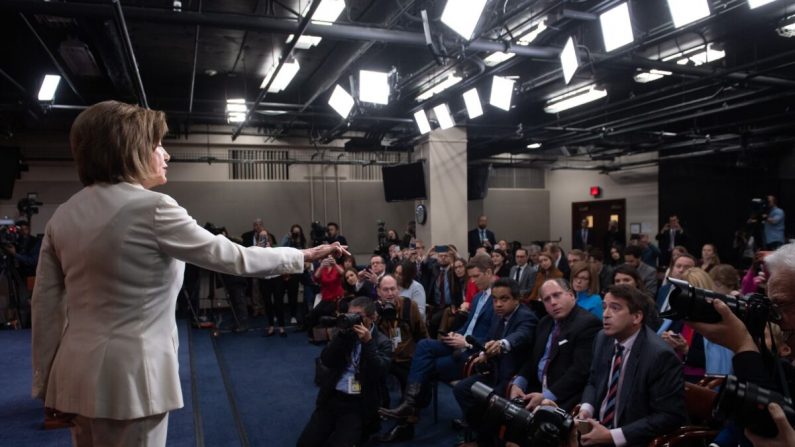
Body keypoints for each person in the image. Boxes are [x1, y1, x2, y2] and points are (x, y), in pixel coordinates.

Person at [30, 100, 348, 447]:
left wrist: (47, 383)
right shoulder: (152, 207)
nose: (166, 155)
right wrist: (303, 255)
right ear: (129, 151)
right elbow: (234, 258)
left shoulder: (63, 214)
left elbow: (45, 306)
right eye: (157, 146)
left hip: (74, 377)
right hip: (133, 380)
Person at [688, 243, 795, 446]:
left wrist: (743, 346)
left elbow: (773, 423)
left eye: (780, 305)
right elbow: (758, 412)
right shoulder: (784, 367)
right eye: (769, 305)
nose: (773, 318)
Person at [378, 254, 497, 426]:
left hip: (473, 352)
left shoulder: (497, 300)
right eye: (470, 277)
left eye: (475, 276)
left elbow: (493, 336)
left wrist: (466, 342)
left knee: (426, 365)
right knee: (424, 345)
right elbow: (469, 326)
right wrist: (456, 334)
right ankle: (410, 404)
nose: (471, 281)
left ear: (488, 272)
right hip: (460, 343)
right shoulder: (478, 297)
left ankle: (410, 405)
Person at [577, 285, 686, 446]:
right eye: (604, 307)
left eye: (615, 308)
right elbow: (593, 381)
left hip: (634, 439)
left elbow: (668, 416)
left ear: (636, 317)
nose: (605, 315)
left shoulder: (660, 356)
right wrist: (587, 409)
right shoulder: (602, 338)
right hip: (597, 431)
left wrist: (613, 436)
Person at [452, 278, 538, 447]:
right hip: (494, 372)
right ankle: (483, 435)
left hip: (512, 380)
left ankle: (486, 440)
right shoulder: (499, 316)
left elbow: (520, 336)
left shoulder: (527, 317)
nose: (498, 304)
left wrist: (501, 344)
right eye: (495, 299)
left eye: (504, 299)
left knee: (488, 405)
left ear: (516, 299)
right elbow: (491, 339)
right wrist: (485, 353)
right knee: (461, 389)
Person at [297, 297, 392, 447]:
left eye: (358, 316)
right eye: (350, 315)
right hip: (332, 396)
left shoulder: (382, 342)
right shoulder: (345, 334)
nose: (352, 320)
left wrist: (368, 343)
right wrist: (341, 336)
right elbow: (326, 360)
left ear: (372, 317)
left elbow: (379, 372)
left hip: (358, 403)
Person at [509, 278, 601, 412]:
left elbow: (580, 372)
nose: (553, 302)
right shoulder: (544, 322)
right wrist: (519, 382)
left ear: (571, 295)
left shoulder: (588, 324)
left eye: (557, 295)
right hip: (536, 390)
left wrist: (546, 396)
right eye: (547, 299)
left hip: (564, 397)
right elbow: (533, 358)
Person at [373, 275, 429, 442]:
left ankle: (406, 423)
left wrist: (424, 359)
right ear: (378, 292)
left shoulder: (408, 306)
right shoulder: (374, 310)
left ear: (398, 290)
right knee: (370, 374)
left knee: (415, 383)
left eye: (393, 289)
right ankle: (380, 408)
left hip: (406, 358)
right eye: (385, 290)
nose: (390, 293)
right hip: (385, 357)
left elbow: (422, 334)